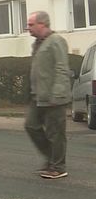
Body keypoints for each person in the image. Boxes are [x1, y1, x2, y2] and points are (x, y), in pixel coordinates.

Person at [24, 11, 72, 179]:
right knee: (31, 126)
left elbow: (61, 68)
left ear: (42, 24)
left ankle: (58, 167)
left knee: (55, 133)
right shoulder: (37, 44)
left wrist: (58, 93)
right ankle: (51, 159)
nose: (27, 28)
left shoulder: (56, 41)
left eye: (31, 24)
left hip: (54, 97)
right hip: (38, 96)